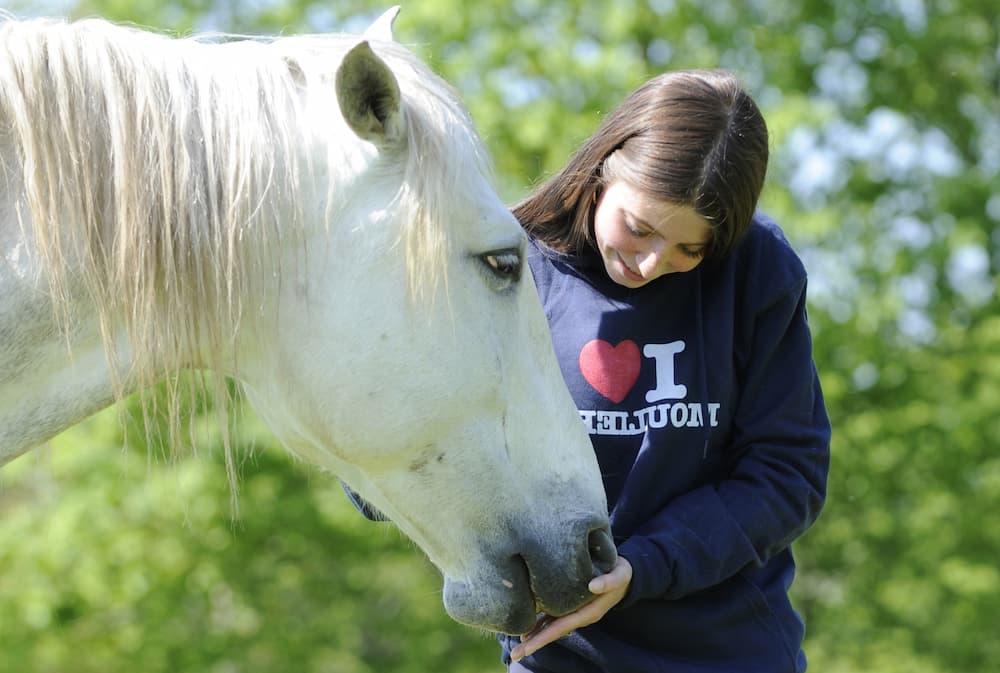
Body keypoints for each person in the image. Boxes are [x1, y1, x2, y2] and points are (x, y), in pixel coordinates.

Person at [501, 70, 831, 673]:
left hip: (730, 650)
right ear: (603, 167)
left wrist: (643, 567)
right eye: (639, 227)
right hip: (557, 651)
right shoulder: (509, 266)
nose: (652, 263)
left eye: (690, 249)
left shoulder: (758, 270)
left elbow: (787, 474)